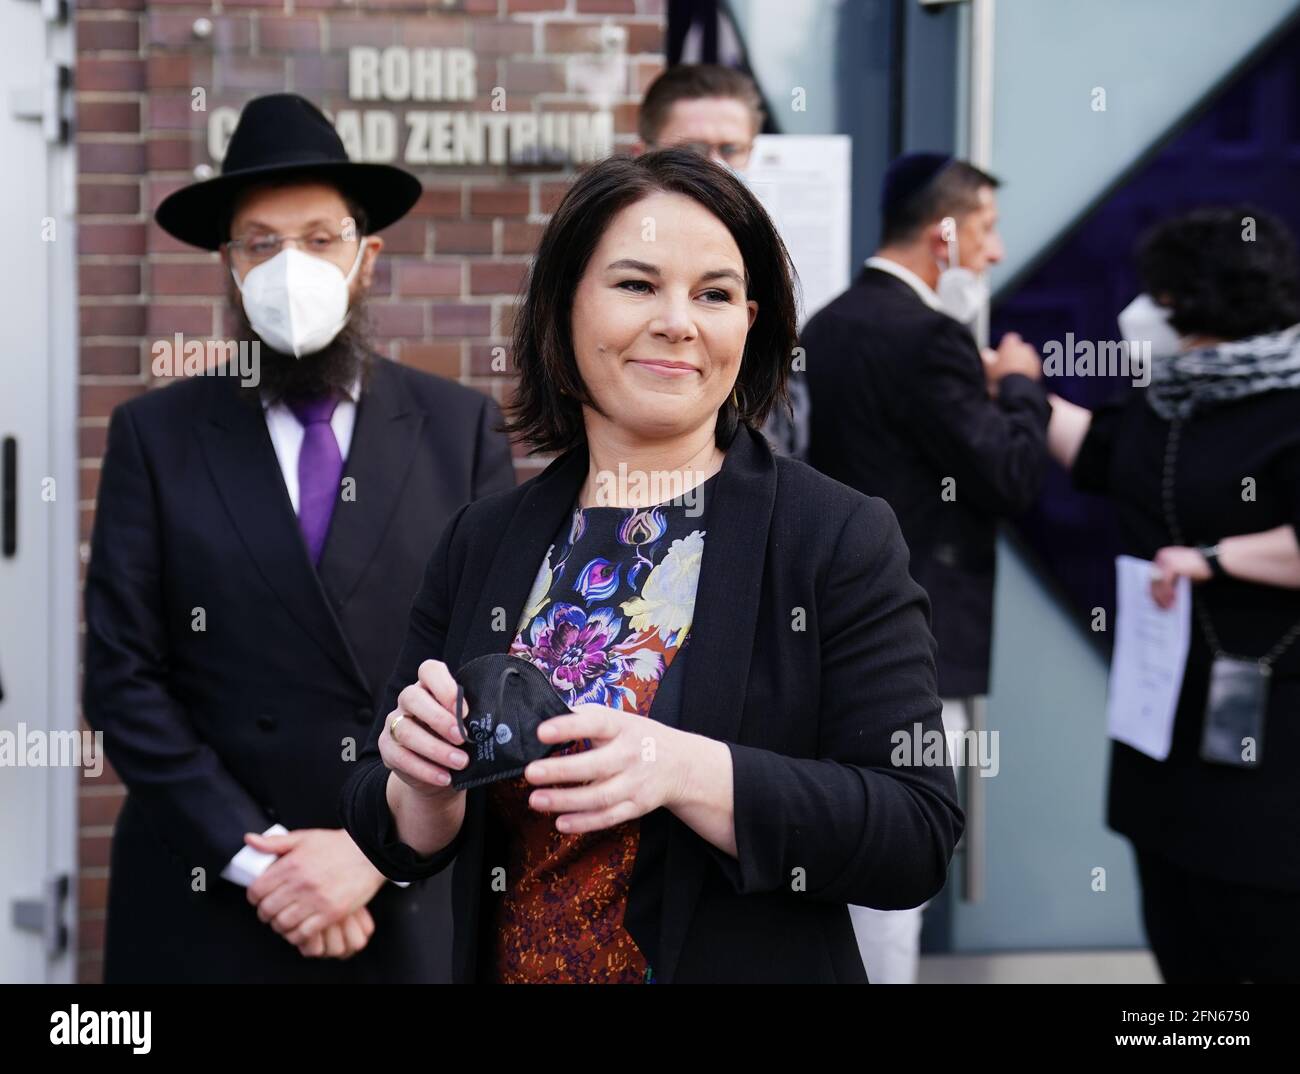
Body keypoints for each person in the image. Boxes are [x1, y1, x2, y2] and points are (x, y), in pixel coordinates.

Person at [341, 147, 964, 984]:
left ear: (752, 321)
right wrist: (422, 786)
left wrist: (686, 769)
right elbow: (390, 820)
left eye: (714, 293)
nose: (679, 321)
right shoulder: (484, 539)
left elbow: (915, 831)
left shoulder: (836, 536)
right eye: (637, 285)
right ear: (563, 307)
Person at [82, 93, 516, 983]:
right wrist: (264, 865)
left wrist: (368, 854)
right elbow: (125, 681)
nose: (291, 266)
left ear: (365, 258)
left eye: (319, 239)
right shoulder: (155, 436)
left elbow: (495, 664)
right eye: (260, 243)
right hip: (208, 897)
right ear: (230, 266)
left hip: (399, 891)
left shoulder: (459, 428)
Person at [801, 153, 1050, 982]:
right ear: (945, 234)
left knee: (844, 847)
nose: (997, 251)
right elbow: (1008, 476)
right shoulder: (934, 337)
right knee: (897, 866)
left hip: (820, 629)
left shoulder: (825, 325)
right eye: (985, 229)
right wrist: (1020, 388)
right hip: (915, 639)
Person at [1048, 206, 1300, 983]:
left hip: (1272, 746)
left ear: (1195, 302)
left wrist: (1213, 559)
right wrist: (1013, 387)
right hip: (1163, 736)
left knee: (1258, 940)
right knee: (1182, 941)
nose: (1139, 310)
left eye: (1156, 293)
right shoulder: (1165, 400)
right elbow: (1096, 453)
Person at [636, 62, 810, 460]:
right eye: (693, 150)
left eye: (731, 149)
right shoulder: (604, 250)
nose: (715, 166)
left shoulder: (768, 258)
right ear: (642, 153)